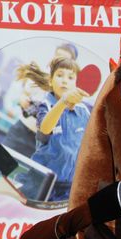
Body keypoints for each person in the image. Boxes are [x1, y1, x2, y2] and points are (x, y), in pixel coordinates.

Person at [16, 57, 90, 202]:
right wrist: (63, 101)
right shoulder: (46, 106)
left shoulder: (84, 112)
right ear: (51, 81)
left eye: (70, 77)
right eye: (60, 75)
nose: (64, 80)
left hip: (68, 187)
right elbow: (45, 128)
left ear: (76, 84)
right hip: (41, 182)